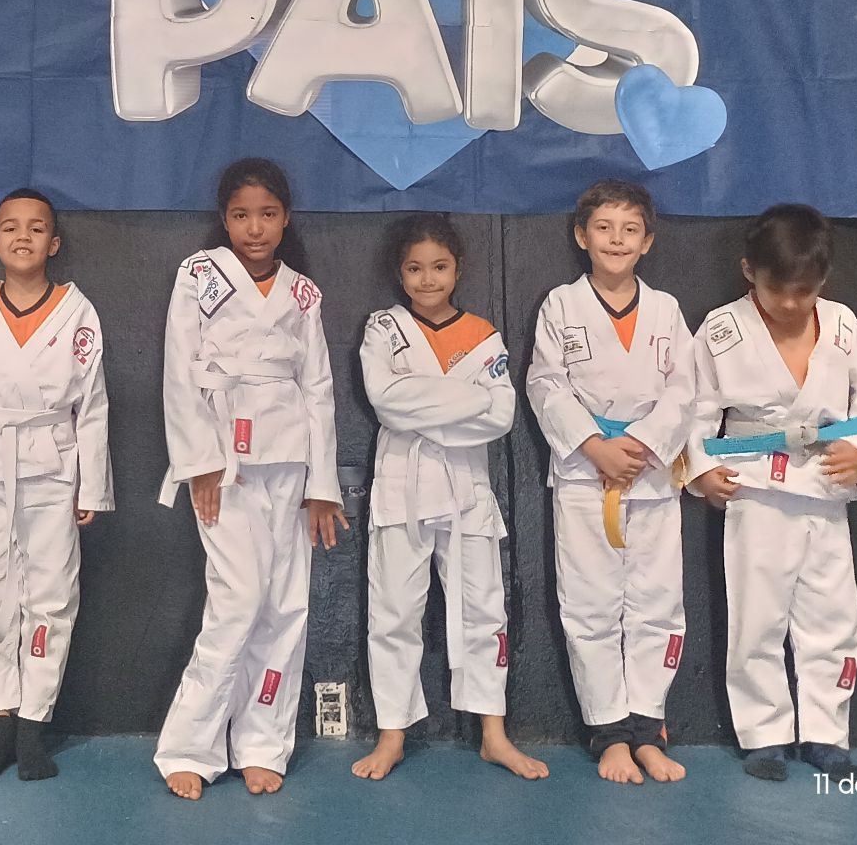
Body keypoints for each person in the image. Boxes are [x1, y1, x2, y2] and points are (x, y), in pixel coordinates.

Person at [685, 204, 857, 784]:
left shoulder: (843, 326)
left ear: (823, 281)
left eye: (803, 292)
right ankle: (764, 735)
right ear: (748, 272)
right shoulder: (722, 330)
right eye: (775, 289)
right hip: (754, 487)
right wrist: (702, 469)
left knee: (833, 617)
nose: (788, 303)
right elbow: (696, 408)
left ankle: (828, 734)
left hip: (825, 485)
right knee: (756, 617)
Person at [156, 157, 347, 800]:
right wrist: (199, 461)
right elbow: (179, 369)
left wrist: (323, 485)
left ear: (286, 219)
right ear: (224, 219)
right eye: (241, 215)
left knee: (285, 604)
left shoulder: (303, 293)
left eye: (267, 214)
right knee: (238, 600)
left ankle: (264, 743)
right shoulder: (199, 274)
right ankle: (190, 745)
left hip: (290, 457)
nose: (255, 228)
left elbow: (318, 388)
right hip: (224, 462)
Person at [353, 214, 547, 784]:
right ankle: (393, 733)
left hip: (466, 489)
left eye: (439, 267)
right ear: (400, 273)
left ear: (457, 269)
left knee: (485, 610)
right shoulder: (384, 328)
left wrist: (420, 404)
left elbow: (501, 414)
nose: (428, 279)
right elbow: (385, 400)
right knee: (393, 612)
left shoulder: (482, 335)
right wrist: (465, 398)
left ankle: (493, 734)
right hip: (402, 487)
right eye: (415, 268)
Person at [526, 180, 695, 784]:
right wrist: (595, 446)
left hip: (650, 472)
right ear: (582, 236)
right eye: (603, 228)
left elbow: (684, 389)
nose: (616, 240)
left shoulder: (667, 309)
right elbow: (545, 384)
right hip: (584, 472)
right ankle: (610, 734)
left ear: (647, 241)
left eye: (630, 230)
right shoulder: (560, 305)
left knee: (658, 601)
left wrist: (644, 444)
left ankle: (649, 728)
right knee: (589, 602)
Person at [0, 188, 113, 781]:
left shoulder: (78, 311)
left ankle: (34, 725)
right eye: (11, 227)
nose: (24, 236)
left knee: (51, 594)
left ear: (54, 242)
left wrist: (91, 486)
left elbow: (92, 405)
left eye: (37, 227)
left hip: (52, 464)